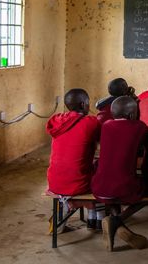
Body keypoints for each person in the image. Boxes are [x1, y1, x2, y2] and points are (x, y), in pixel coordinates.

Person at [91, 96, 148, 251]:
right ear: (132, 115)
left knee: (115, 183)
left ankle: (115, 221)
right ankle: (117, 221)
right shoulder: (139, 126)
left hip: (98, 188)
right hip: (124, 189)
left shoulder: (106, 126)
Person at [46, 89, 102, 229]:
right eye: (88, 104)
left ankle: (87, 215)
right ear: (83, 104)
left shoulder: (57, 121)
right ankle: (98, 218)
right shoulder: (90, 123)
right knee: (103, 176)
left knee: (85, 166)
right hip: (77, 184)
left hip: (55, 182)